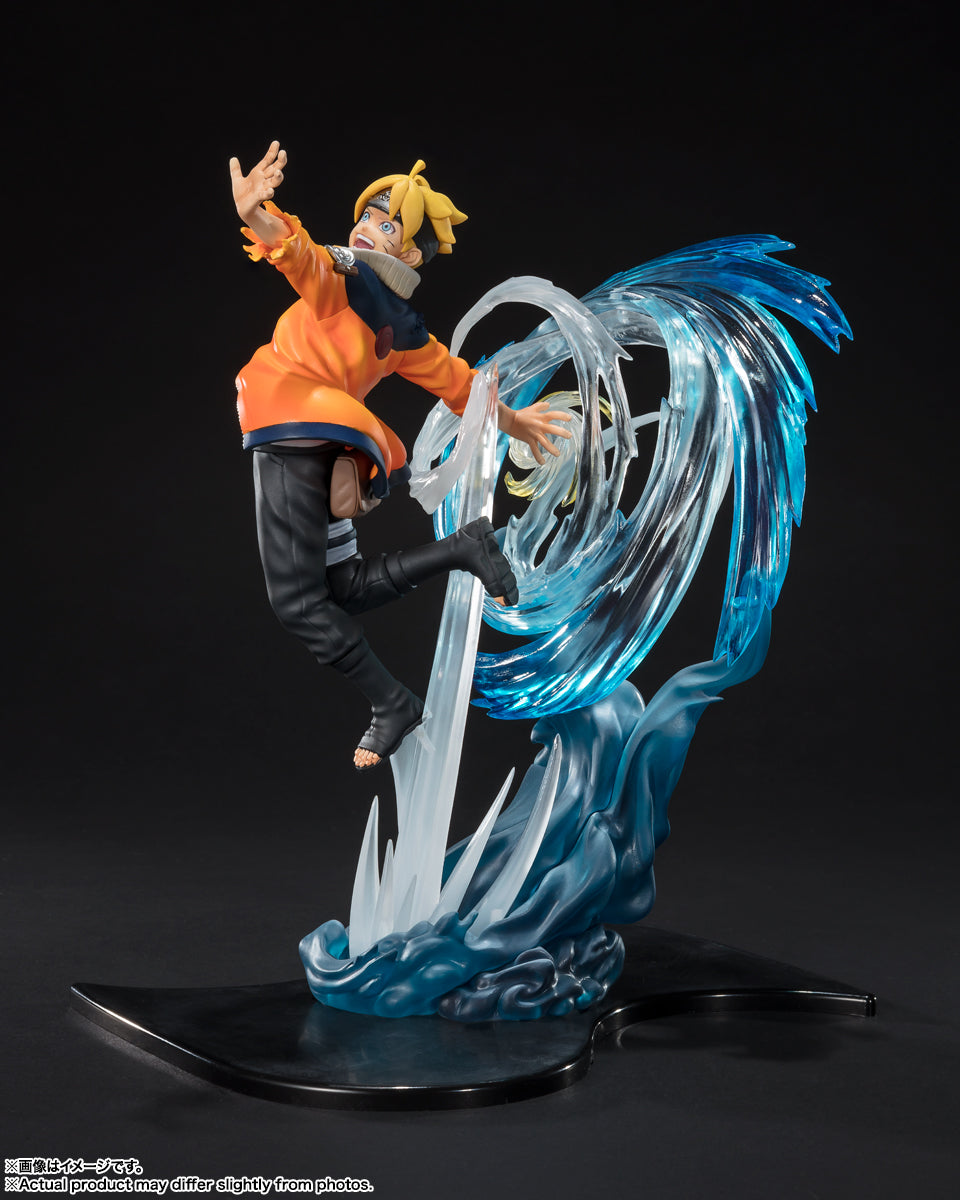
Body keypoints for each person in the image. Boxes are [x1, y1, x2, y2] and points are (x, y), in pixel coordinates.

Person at [229, 142, 570, 770]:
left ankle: (391, 702)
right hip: (332, 437)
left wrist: (257, 216)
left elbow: (300, 256)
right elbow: (460, 384)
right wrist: (515, 422)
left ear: (409, 254)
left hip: (290, 426)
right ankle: (465, 547)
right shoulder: (402, 329)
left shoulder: (343, 284)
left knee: (297, 604)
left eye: (387, 226)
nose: (367, 228)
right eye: (367, 215)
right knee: (343, 589)